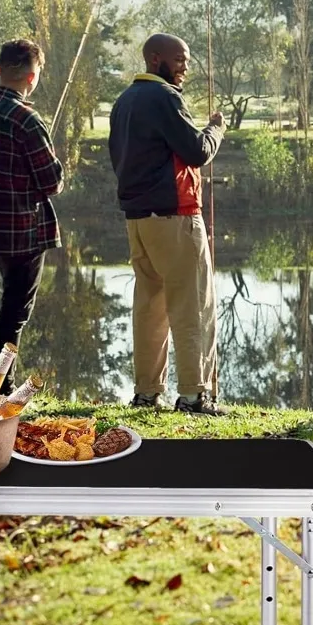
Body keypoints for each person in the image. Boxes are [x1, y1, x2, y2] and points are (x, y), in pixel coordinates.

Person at [109, 33, 226, 415]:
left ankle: (147, 393)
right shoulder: (164, 97)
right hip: (175, 218)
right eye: (179, 60)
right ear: (155, 58)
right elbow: (197, 151)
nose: (185, 67)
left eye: (187, 60)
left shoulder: (124, 102)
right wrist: (216, 128)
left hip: (138, 220)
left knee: (150, 309)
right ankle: (194, 395)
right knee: (193, 306)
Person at [0, 39, 64, 394]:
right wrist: (57, 162)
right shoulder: (27, 119)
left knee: (10, 303)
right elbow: (52, 183)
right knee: (16, 312)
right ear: (32, 77)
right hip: (24, 230)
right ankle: (1, 388)